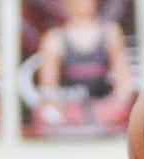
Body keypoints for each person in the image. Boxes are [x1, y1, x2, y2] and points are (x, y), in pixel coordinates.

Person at [33, 0, 133, 130]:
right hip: (68, 111)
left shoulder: (111, 33)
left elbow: (124, 83)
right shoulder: (54, 39)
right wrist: (59, 112)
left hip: (104, 108)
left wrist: (115, 106)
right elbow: (48, 89)